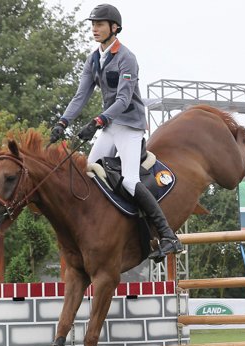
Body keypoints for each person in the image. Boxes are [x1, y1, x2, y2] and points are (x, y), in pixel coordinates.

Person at [50, 4, 181, 260]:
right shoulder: (93, 59)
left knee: (130, 181)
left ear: (114, 27)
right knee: (88, 172)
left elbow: (123, 99)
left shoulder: (126, 57)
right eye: (93, 25)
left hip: (130, 126)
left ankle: (168, 236)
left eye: (99, 24)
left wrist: (97, 121)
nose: (94, 29)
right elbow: (80, 96)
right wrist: (63, 122)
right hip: (110, 126)